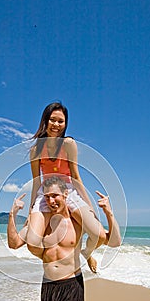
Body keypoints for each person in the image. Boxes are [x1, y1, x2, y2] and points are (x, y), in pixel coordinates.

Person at [26, 102, 105, 273]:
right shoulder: (36, 150)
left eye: (60, 121)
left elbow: (76, 176)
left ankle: (86, 253)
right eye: (52, 120)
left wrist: (91, 208)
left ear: (65, 124)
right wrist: (30, 209)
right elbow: (36, 181)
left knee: (99, 235)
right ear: (45, 121)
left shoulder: (68, 144)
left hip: (68, 190)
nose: (56, 125)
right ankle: (59, 257)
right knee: (32, 242)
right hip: (46, 192)